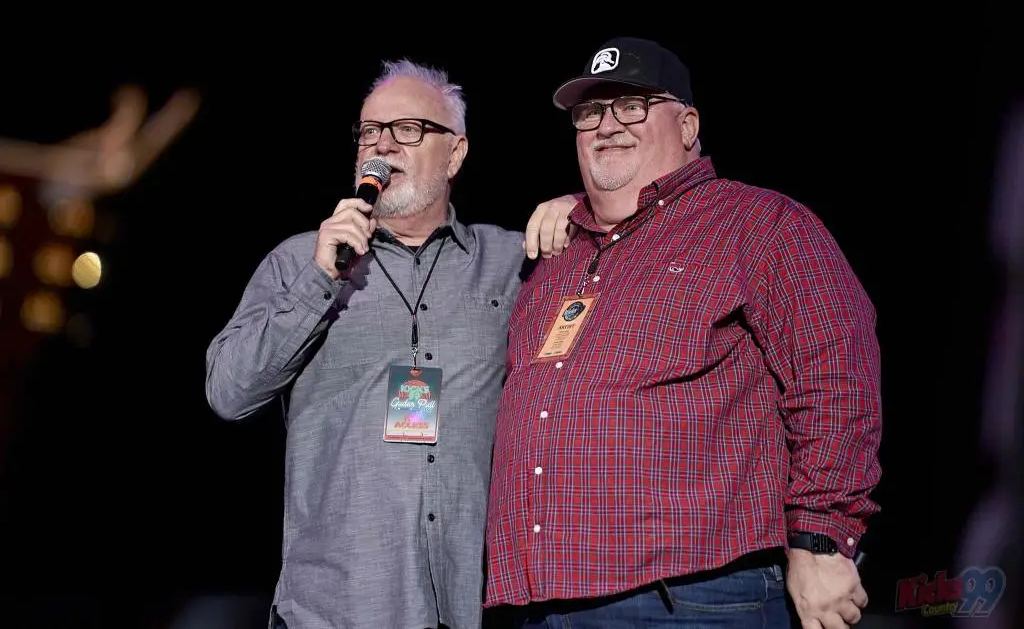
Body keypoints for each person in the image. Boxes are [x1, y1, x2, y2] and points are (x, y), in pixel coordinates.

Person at [484, 37, 883, 628]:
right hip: (539, 601)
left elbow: (836, 375)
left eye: (632, 105)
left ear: (688, 124)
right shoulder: (558, 257)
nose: (607, 125)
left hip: (692, 596)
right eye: (590, 112)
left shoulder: (758, 223)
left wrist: (820, 538)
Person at [204, 59, 578, 629]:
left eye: (408, 129)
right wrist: (320, 280)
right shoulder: (299, 262)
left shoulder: (511, 263)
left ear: (455, 154)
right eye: (370, 132)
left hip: (471, 602)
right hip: (338, 606)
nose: (383, 146)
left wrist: (579, 209)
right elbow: (229, 393)